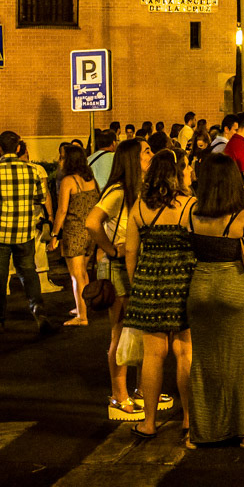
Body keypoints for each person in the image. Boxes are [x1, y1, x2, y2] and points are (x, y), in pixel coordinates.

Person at [187, 154, 244, 448]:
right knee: (242, 361)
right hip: (235, 284)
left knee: (204, 361)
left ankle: (203, 431)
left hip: (200, 286)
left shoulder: (193, 213)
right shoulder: (243, 216)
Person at [124, 148, 197, 439]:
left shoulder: (140, 207)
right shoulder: (190, 205)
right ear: (177, 174)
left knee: (153, 356)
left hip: (149, 284)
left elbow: (131, 250)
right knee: (185, 352)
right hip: (184, 282)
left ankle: (149, 422)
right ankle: (190, 419)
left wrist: (136, 283)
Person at [86, 138, 155, 420]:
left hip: (134, 264)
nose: (151, 155)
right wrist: (110, 248)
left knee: (138, 329)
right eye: (147, 152)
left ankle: (140, 389)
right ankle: (119, 395)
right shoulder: (117, 191)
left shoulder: (140, 188)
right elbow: (91, 222)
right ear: (132, 159)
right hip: (116, 266)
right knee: (120, 331)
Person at [0, 131, 54, 335]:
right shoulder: (32, 171)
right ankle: (38, 312)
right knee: (29, 273)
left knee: (0, 275)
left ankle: (1, 318)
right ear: (18, 148)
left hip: (1, 232)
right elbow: (41, 197)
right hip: (25, 231)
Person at [49, 145, 100, 326]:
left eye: (62, 157)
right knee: (83, 273)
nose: (59, 160)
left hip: (74, 231)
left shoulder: (68, 181)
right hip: (90, 232)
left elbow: (62, 210)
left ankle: (82, 316)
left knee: (76, 275)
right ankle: (83, 306)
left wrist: (54, 234)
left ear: (70, 160)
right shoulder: (90, 179)